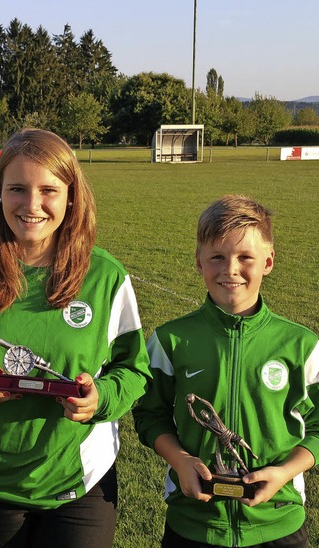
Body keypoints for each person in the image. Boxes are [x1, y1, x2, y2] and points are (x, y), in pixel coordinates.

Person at [0, 128, 151, 548]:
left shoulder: (106, 277)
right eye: (17, 189)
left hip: (81, 482)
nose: (32, 205)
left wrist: (100, 398)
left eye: (48, 190)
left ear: (71, 196)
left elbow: (133, 370)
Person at [133, 195, 319, 547]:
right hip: (193, 524)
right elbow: (148, 415)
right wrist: (181, 459)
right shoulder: (171, 340)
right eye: (217, 257)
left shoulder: (301, 345)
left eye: (245, 257)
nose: (230, 269)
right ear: (199, 262)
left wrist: (284, 472)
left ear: (268, 261)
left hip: (279, 524)